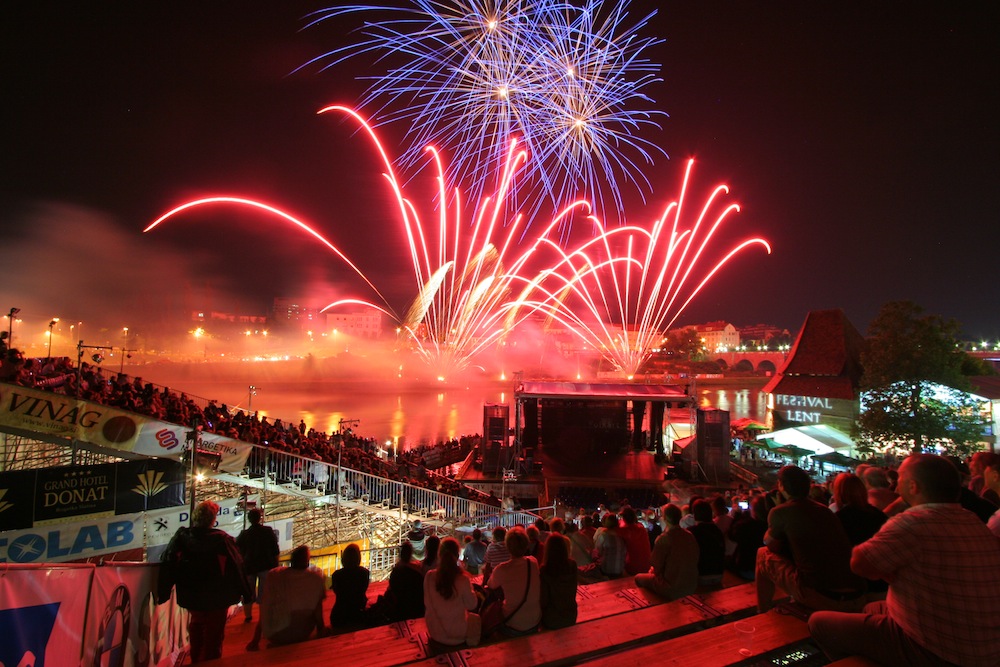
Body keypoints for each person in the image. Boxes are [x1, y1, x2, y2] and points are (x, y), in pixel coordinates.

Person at [809, 454, 1000, 667]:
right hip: (987, 648)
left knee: (819, 623)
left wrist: (898, 509)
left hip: (940, 651)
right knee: (871, 608)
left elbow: (859, 563)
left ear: (913, 486)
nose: (896, 488)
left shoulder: (912, 522)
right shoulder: (972, 521)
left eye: (899, 481)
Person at [756, 465, 865, 613]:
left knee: (762, 554)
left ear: (781, 485)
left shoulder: (780, 512)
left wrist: (776, 514)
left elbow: (770, 545)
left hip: (824, 596)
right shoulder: (825, 510)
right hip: (855, 594)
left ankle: (762, 611)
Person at [158, 500, 251, 662]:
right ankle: (210, 661)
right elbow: (237, 565)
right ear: (212, 519)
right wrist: (246, 592)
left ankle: (196, 659)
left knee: (196, 626)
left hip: (191, 593)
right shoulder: (221, 539)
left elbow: (168, 561)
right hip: (216, 595)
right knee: (214, 634)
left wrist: (164, 591)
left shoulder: (182, 537)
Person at [246, 545, 326, 650]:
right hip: (303, 633)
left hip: (274, 634)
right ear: (307, 561)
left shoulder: (274, 575)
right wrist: (322, 630)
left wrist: (255, 639)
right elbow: (318, 610)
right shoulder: (316, 578)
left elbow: (266, 608)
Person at [424, 537, 480, 649]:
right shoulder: (463, 579)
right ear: (458, 555)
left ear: (439, 554)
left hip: (435, 631)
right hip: (458, 634)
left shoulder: (429, 576)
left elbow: (427, 603)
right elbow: (472, 605)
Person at [635, 503, 699, 600]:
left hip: (672, 588)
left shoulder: (664, 538)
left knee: (638, 578)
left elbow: (655, 566)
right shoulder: (690, 535)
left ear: (666, 518)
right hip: (691, 585)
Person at [486, 527, 542, 636]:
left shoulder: (502, 569)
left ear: (508, 546)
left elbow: (490, 585)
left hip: (512, 625)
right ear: (526, 545)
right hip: (535, 621)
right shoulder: (533, 562)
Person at [236, 508, 280, 623]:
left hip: (249, 567)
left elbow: (238, 550)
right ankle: (263, 617)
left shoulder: (244, 534)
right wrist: (276, 565)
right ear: (260, 518)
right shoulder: (267, 531)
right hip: (266, 565)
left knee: (248, 594)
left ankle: (248, 617)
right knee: (264, 594)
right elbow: (275, 550)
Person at [539, 533, 578, 629]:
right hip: (571, 615)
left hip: (551, 619)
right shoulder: (572, 565)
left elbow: (544, 600)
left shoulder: (545, 570)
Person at [329, 543, 370, 630]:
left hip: (339, 615)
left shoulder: (336, 575)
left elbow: (337, 592)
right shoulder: (364, 573)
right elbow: (363, 590)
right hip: (358, 614)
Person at [728, 495, 768, 580]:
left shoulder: (745, 526)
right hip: (765, 568)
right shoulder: (769, 525)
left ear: (753, 510)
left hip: (747, 568)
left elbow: (731, 535)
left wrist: (738, 515)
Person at [688, 498, 726, 587]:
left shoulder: (691, 532)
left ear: (694, 515)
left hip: (700, 576)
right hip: (719, 574)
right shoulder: (717, 530)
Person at [384, 541, 425, 621]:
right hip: (415, 606)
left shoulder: (396, 571)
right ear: (411, 554)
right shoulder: (418, 570)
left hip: (400, 607)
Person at [618, 506, 652, 576]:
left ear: (624, 519)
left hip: (633, 569)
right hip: (647, 566)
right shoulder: (642, 528)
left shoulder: (623, 531)